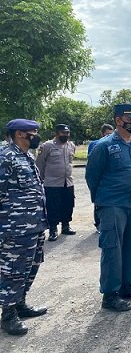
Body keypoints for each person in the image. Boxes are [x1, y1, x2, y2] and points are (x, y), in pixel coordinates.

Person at [85, 104, 131, 312]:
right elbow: (91, 176)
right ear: (118, 120)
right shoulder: (103, 146)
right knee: (113, 249)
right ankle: (110, 294)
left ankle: (126, 286)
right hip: (112, 203)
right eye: (130, 119)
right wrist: (102, 200)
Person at [0, 119, 47, 335]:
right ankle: (8, 315)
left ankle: (20, 304)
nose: (36, 135)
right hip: (14, 228)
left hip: (33, 225)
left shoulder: (27, 156)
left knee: (31, 267)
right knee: (13, 271)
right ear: (19, 133)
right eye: (33, 132)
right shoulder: (5, 157)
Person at [35, 123, 76, 241]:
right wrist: (41, 180)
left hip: (67, 182)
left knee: (68, 204)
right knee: (53, 207)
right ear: (57, 133)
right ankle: (53, 229)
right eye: (63, 133)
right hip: (52, 183)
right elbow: (40, 165)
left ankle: (66, 226)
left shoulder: (71, 145)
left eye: (67, 133)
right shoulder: (47, 146)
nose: (66, 135)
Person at [88, 124, 114, 233]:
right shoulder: (95, 144)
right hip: (99, 178)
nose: (109, 136)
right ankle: (98, 223)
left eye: (111, 134)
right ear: (102, 134)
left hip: (110, 179)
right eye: (107, 134)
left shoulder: (113, 144)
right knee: (98, 202)